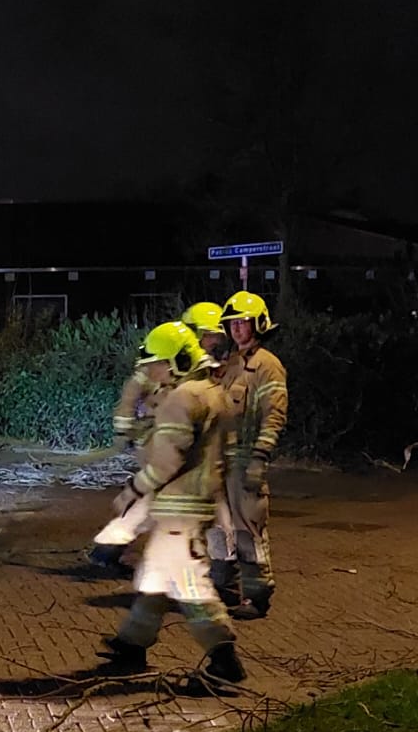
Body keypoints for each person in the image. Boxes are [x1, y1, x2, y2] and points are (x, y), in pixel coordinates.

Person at [94, 322, 245, 689]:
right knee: (154, 579)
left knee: (191, 588)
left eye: (156, 364)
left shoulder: (182, 398)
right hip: (196, 501)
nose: (150, 372)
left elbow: (166, 462)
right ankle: (131, 645)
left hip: (179, 508)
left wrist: (133, 489)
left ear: (176, 360)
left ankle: (225, 662)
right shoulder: (213, 391)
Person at [89, 304, 229, 575]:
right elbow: (132, 393)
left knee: (158, 500)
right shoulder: (169, 356)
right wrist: (125, 429)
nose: (215, 341)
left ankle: (108, 549)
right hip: (161, 441)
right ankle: (219, 569)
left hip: (179, 442)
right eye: (210, 335)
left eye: (217, 336)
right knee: (160, 498)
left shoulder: (200, 363)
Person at [212, 290, 289, 618]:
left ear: (258, 324)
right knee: (219, 529)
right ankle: (225, 590)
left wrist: (260, 456)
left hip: (245, 462)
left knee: (248, 532)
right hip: (220, 461)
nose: (237, 329)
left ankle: (257, 598)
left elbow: (275, 414)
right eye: (233, 323)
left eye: (243, 322)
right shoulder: (228, 364)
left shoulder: (268, 367)